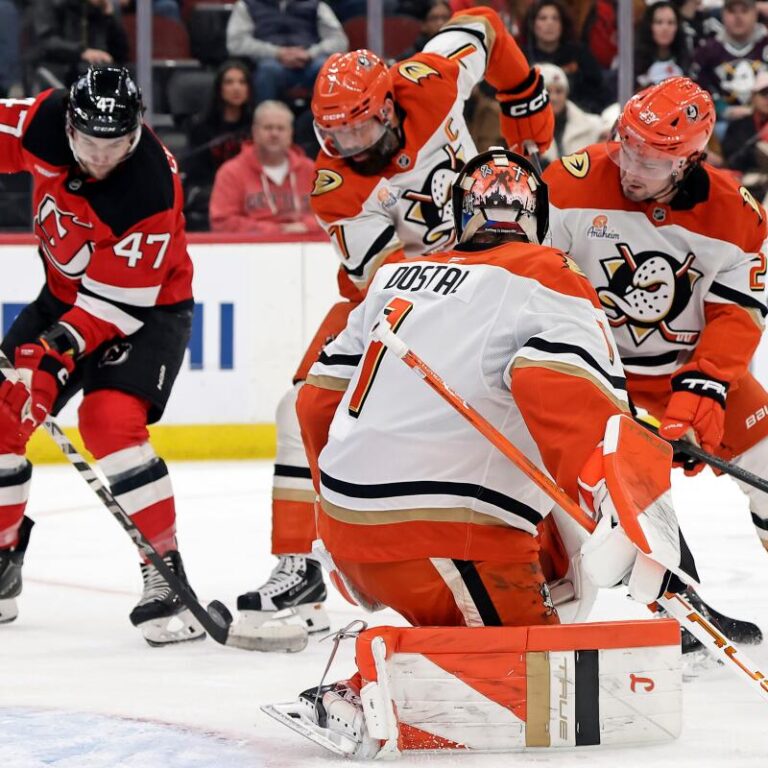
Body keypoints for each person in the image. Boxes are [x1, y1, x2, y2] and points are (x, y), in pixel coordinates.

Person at [280, 148, 697, 756]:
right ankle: (369, 684)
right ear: (540, 217)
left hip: (349, 526)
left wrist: (339, 514)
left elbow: (315, 404)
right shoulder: (548, 273)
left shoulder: (394, 275)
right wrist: (632, 510)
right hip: (445, 535)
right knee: (538, 686)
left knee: (558, 560)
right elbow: (564, 395)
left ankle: (421, 646)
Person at [234, 7, 556, 642]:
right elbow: (383, 281)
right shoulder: (334, 187)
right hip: (406, 291)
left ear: (388, 105)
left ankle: (551, 550)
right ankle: (299, 561)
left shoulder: (429, 80)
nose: (353, 148)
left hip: (497, 263)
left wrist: (524, 99)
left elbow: (484, 23)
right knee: (297, 408)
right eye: (337, 137)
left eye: (362, 130)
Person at [0, 66, 203, 647]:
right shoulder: (43, 121)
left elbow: (113, 307)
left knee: (109, 422)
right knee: (3, 412)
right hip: (62, 298)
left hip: (145, 311)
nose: (101, 156)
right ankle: (2, 563)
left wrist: (54, 351)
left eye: (116, 143)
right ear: (70, 124)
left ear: (137, 130)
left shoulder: (148, 189)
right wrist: (44, 350)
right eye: (90, 142)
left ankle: (165, 572)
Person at [543, 76, 768, 561]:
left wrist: (702, 390)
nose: (630, 168)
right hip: (591, 374)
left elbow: (738, 314)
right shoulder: (569, 184)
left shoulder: (736, 216)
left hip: (681, 372)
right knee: (583, 492)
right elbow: (530, 283)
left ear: (688, 161)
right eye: (627, 147)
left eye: (650, 160)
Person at [209, 100, 323, 235]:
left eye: (281, 128)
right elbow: (222, 222)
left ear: (291, 133)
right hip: (251, 251)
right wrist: (274, 231)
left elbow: (333, 215)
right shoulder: (231, 172)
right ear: (254, 132)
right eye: (268, 128)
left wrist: (307, 226)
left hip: (308, 248)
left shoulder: (311, 170)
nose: (274, 134)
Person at [225, 0, 348, 105]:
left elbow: (340, 40)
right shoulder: (247, 5)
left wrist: (310, 54)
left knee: (326, 70)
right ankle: (266, 124)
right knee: (268, 70)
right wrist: (277, 52)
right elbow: (236, 43)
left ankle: (331, 126)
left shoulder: (316, 5)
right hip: (270, 63)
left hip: (310, 61)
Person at [183, 60, 255, 231]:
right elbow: (196, 173)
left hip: (252, 190)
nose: (236, 88)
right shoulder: (200, 127)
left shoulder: (257, 125)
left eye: (242, 82)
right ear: (219, 88)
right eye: (229, 82)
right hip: (212, 189)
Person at [692, 0, 768, 128]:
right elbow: (697, 90)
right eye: (732, 11)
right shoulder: (706, 51)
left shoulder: (765, 45)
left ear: (755, 13)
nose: (738, 17)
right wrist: (722, 110)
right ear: (722, 14)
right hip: (719, 123)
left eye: (744, 11)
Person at [522, 0, 607, 113]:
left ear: (562, 24)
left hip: (578, 118)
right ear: (532, 24)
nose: (550, 23)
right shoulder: (521, 57)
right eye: (543, 18)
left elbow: (599, 93)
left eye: (555, 18)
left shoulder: (579, 54)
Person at [29, 0, 129, 88]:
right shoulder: (51, 3)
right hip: (59, 70)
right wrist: (82, 52)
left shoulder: (104, 6)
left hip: (98, 72)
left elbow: (121, 52)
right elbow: (47, 42)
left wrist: (108, 16)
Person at [538, 62, 603, 167]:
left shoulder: (593, 126)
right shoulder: (527, 132)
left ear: (566, 94)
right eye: (548, 92)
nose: (553, 98)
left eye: (559, 91)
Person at [722, 68, 768, 200]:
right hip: (747, 183)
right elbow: (732, 162)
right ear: (753, 97)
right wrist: (757, 142)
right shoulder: (738, 125)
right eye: (764, 94)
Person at [634, 1, 691, 89]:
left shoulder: (685, 61)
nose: (665, 28)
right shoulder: (634, 62)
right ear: (649, 26)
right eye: (659, 22)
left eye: (671, 23)